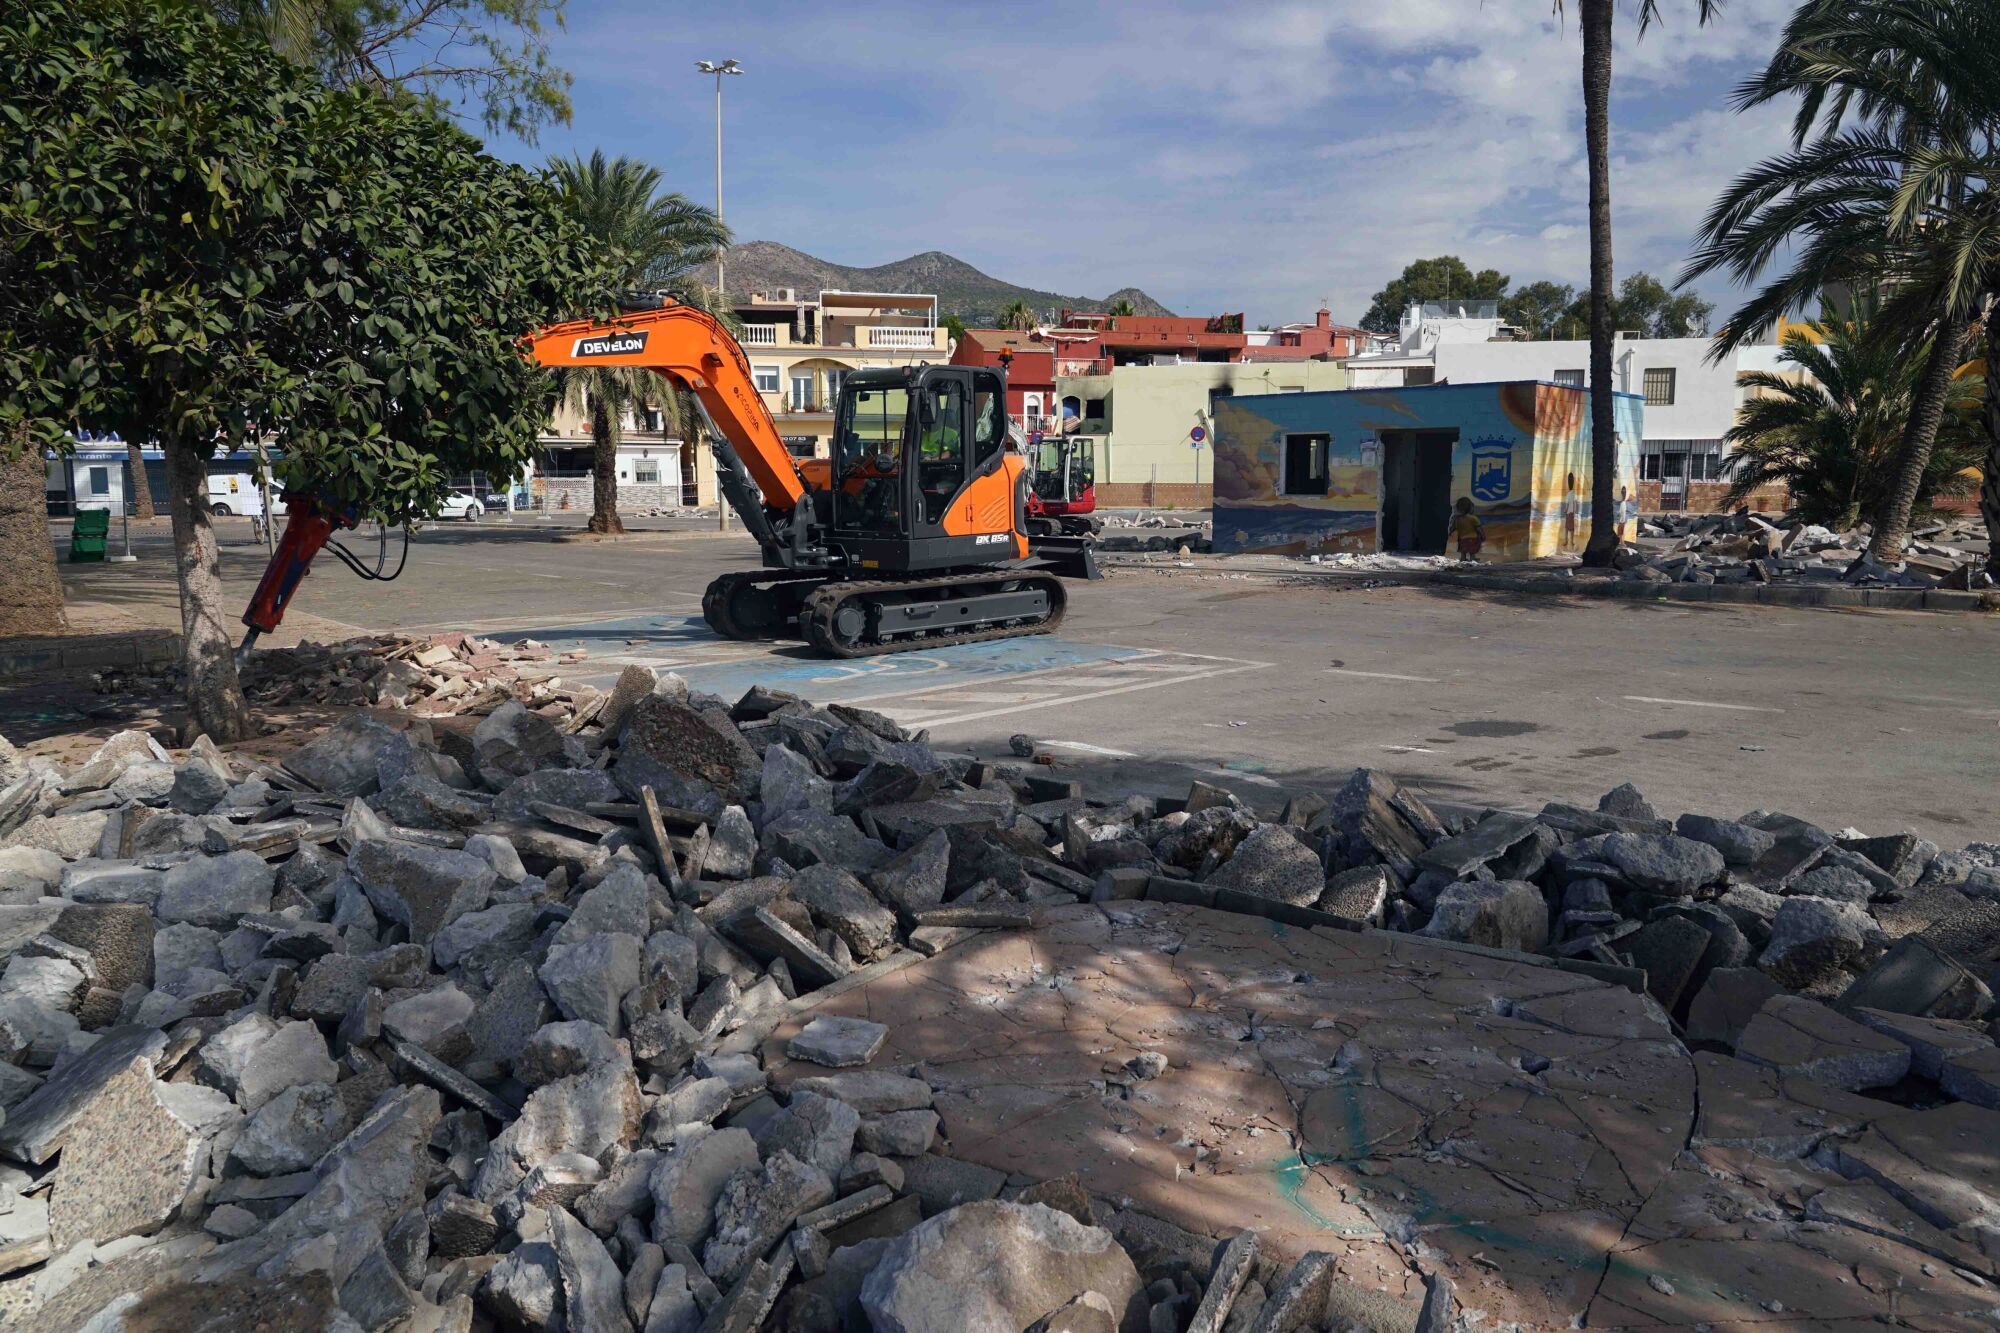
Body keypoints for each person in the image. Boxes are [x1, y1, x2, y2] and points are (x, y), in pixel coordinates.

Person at [1450, 497, 1484, 562]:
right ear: (1470, 508)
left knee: (1463, 550)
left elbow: (1453, 527)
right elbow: (1478, 528)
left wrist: (1450, 532)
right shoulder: (1473, 518)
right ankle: (1472, 558)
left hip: (1462, 539)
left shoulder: (1457, 519)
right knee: (1472, 550)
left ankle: (1463, 558)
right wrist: (1482, 535)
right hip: (1473, 538)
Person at [1560, 471, 1581, 552]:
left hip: (1569, 512)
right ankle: (1570, 541)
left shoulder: (1569, 494)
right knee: (1571, 528)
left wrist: (1565, 510)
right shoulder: (1574, 494)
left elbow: (1568, 504)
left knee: (1567, 527)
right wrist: (1575, 511)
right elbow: (1575, 503)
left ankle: (1567, 541)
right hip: (1572, 512)